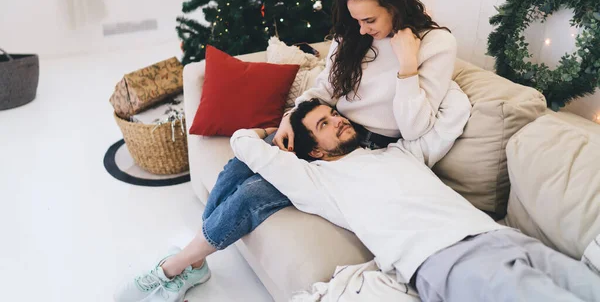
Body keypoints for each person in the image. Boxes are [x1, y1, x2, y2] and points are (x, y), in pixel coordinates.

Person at [114, 0, 471, 301]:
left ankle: (174, 268)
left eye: (369, 19)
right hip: (321, 123)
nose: (361, 28)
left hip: (361, 149)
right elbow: (324, 90)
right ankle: (194, 260)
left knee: (255, 192)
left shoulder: (436, 45)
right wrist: (292, 116)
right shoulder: (354, 36)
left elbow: (414, 127)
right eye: (356, 20)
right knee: (241, 164)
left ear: (395, 5)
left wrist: (407, 65)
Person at [231, 99, 600, 302]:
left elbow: (453, 112)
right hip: (446, 259)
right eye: (323, 125)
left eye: (334, 114)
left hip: (503, 237)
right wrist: (277, 127)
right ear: (313, 149)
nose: (338, 121)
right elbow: (243, 144)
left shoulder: (400, 153)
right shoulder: (317, 181)